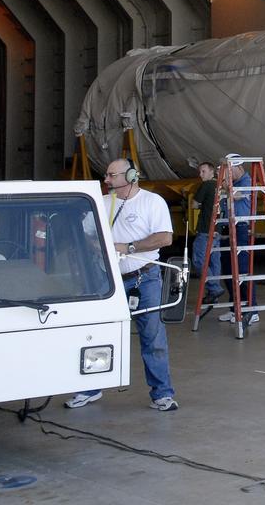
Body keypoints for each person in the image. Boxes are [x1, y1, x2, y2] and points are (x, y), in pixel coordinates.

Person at [67, 158, 178, 411]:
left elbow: (164, 237)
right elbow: (87, 234)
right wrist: (99, 248)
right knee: (96, 334)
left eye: (111, 176)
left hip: (145, 277)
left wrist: (127, 247)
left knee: (152, 336)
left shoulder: (152, 202)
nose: (106, 180)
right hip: (109, 281)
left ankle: (162, 393)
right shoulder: (104, 203)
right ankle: (89, 388)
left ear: (130, 176)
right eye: (106, 176)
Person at [218, 156, 256, 324]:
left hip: (240, 228)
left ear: (238, 168)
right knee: (227, 269)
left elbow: (239, 196)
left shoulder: (247, 181)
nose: (227, 174)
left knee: (241, 270)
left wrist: (227, 187)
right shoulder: (230, 184)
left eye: (229, 171)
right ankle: (236, 307)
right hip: (227, 227)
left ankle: (251, 309)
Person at [191, 162, 224, 305]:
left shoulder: (207, 185)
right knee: (214, 261)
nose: (200, 175)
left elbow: (194, 204)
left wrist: (201, 204)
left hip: (205, 229)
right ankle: (213, 293)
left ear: (212, 172)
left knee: (199, 260)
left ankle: (214, 288)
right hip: (217, 229)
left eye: (203, 171)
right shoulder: (221, 186)